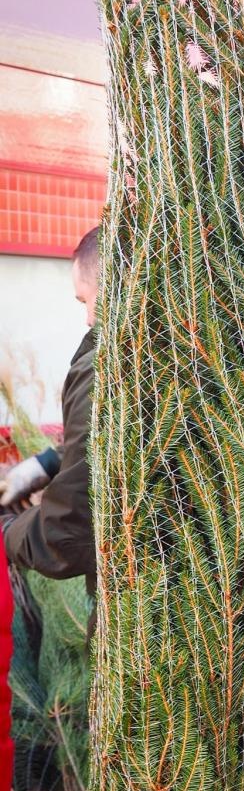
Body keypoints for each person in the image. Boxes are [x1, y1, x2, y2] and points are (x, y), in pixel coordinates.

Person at [0, 227, 98, 594]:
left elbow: (68, 530)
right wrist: (47, 464)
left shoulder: (105, 368)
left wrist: (10, 531)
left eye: (84, 300)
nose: (87, 318)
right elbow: (105, 447)